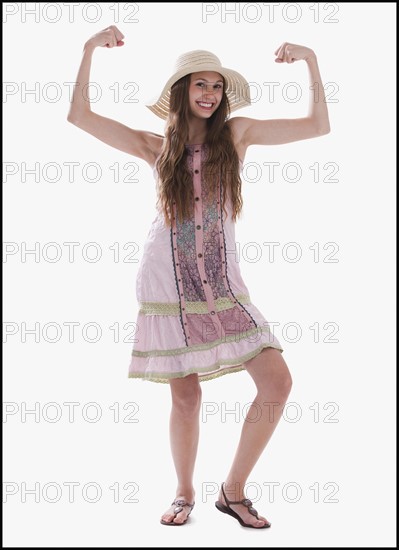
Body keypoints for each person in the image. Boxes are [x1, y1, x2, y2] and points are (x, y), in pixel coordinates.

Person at [67, 26, 330, 529]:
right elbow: (79, 115)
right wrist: (87, 51)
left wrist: (312, 60)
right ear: (181, 91)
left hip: (224, 282)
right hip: (168, 279)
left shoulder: (238, 134)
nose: (210, 94)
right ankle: (184, 492)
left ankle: (232, 491)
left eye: (217, 86)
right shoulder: (155, 146)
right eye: (200, 85)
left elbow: (318, 125)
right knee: (185, 395)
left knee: (277, 381)